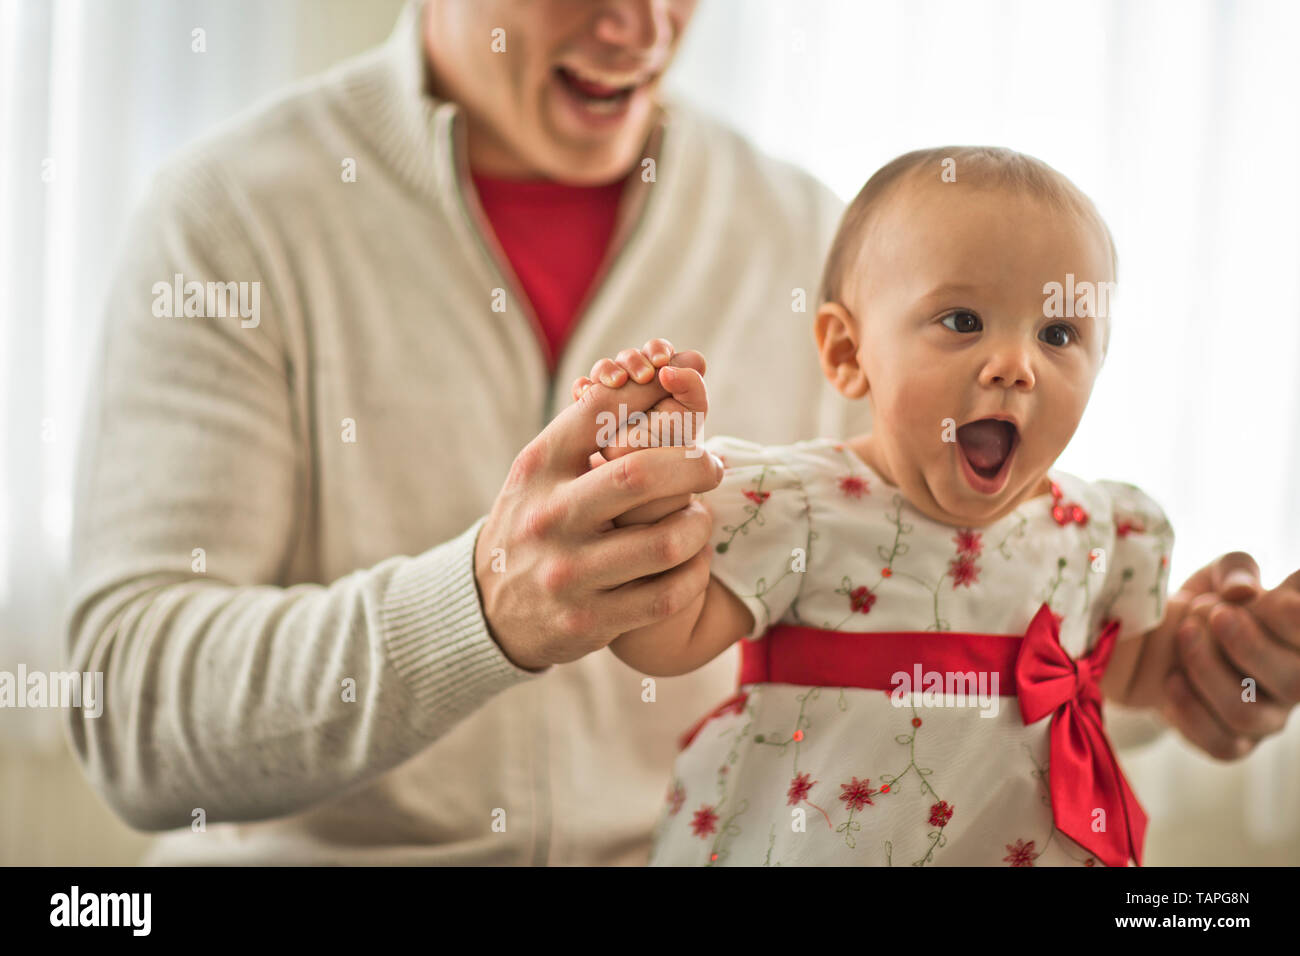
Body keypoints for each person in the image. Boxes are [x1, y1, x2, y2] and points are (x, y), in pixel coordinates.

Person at [63, 0, 1296, 866]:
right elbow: (128, 706)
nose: (642, 25)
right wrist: (479, 611)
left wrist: (1167, 673)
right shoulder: (227, 218)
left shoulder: (820, 236)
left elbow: (948, 621)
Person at [572, 147, 1300, 867]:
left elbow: (1137, 673)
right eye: (961, 321)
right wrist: (642, 495)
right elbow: (661, 643)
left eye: (1058, 334)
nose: (1015, 365)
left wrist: (1235, 638)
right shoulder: (798, 504)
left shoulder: (1103, 534)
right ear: (848, 352)